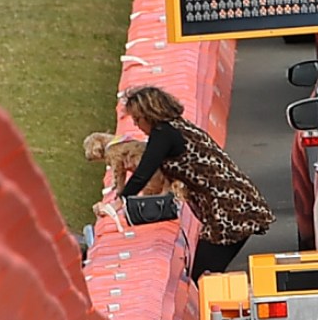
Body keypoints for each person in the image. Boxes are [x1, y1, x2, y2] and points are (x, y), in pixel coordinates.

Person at [102, 85, 275, 280]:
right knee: (207, 273)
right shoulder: (178, 127)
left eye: (138, 119)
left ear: (149, 115)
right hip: (236, 203)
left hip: (228, 210)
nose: (136, 125)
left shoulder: (163, 135)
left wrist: (119, 202)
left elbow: (143, 172)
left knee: (203, 277)